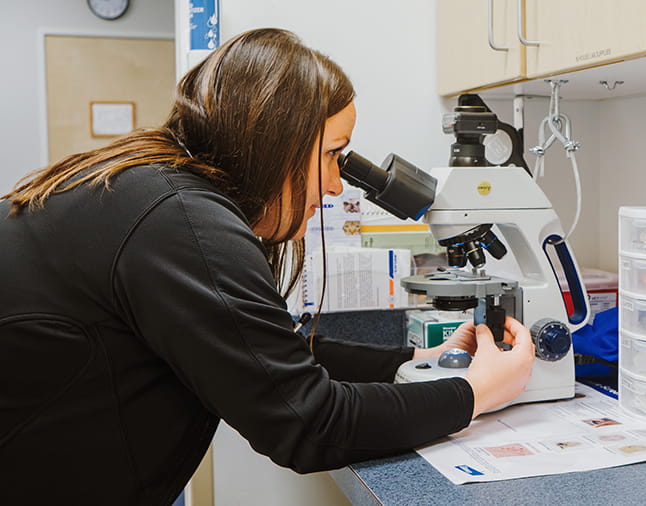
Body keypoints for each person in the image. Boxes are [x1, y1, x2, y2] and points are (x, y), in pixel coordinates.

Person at [0, 28, 534, 506]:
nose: (335, 185)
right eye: (332, 154)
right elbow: (311, 423)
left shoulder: (153, 187)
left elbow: (266, 347)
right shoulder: (180, 219)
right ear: (275, 140)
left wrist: (417, 358)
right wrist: (478, 391)